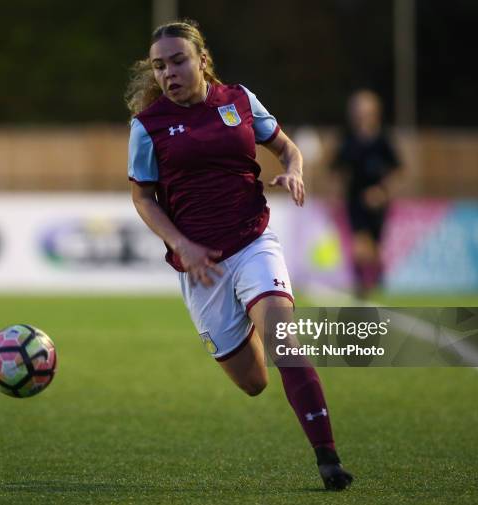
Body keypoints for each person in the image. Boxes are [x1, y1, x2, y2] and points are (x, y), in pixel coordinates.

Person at [125, 20, 353, 491]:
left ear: (201, 60)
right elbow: (143, 198)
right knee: (253, 382)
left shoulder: (239, 101)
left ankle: (328, 459)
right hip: (201, 268)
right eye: (160, 65)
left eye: (178, 60)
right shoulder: (147, 127)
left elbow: (287, 148)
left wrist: (294, 171)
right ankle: (252, 314)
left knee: (284, 343)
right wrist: (181, 245)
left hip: (253, 241)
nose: (169, 72)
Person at [330, 90, 402, 296]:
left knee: (374, 248)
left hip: (378, 203)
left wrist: (382, 191)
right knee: (359, 247)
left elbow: (397, 170)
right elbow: (336, 169)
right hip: (354, 201)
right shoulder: (348, 140)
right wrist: (336, 193)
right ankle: (361, 285)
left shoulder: (383, 140)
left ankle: (378, 279)